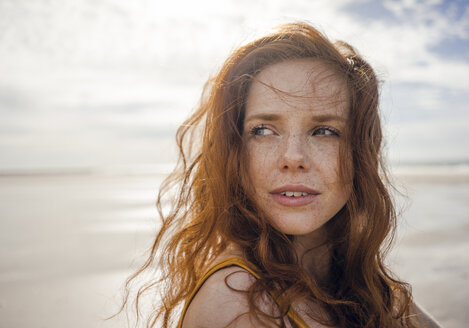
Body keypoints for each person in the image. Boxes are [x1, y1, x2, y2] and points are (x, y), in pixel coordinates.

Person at [123, 22, 442, 328]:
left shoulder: (363, 284)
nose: (293, 158)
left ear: (361, 151)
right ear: (234, 149)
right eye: (263, 130)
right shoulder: (237, 304)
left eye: (324, 131)